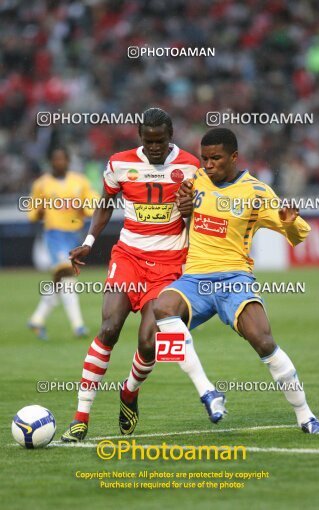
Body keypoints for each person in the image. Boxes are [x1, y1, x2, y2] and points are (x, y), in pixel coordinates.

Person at [61, 108, 226, 443]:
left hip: (169, 264)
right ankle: (80, 418)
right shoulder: (119, 163)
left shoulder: (191, 166)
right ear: (140, 137)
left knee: (151, 344)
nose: (154, 148)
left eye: (160, 142)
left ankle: (129, 391)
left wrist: (190, 213)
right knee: (108, 329)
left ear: (171, 136)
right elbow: (106, 202)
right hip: (129, 258)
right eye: (148, 141)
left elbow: (204, 212)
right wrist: (89, 242)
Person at [154, 127, 319, 435]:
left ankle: (306, 416)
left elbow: (300, 232)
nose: (208, 165)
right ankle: (208, 392)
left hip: (235, 278)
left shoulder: (256, 192)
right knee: (160, 313)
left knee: (263, 341)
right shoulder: (195, 181)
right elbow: (181, 216)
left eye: (216, 159)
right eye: (204, 158)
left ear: (234, 157)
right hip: (195, 277)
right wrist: (182, 210)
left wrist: (289, 223)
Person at [27, 146, 98, 340]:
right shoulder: (42, 184)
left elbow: (93, 205)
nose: (59, 163)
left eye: (62, 159)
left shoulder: (80, 182)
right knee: (67, 277)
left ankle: (37, 319)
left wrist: (88, 208)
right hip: (54, 236)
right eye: (56, 159)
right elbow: (32, 213)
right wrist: (39, 211)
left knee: (60, 281)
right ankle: (78, 326)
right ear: (51, 162)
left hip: (74, 237)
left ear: (68, 161)